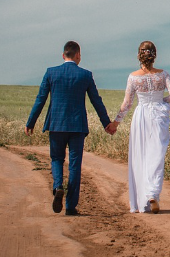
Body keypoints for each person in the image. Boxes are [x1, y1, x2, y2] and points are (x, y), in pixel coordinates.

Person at [25, 41, 117, 216]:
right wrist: (106, 123)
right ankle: (70, 206)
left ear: (62, 55)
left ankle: (58, 185)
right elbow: (96, 101)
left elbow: (40, 99)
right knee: (75, 165)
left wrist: (31, 122)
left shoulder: (51, 73)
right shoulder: (85, 75)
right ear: (77, 55)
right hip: (77, 126)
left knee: (57, 158)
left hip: (56, 125)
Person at [111, 41, 170, 213]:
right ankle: (153, 194)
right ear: (154, 55)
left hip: (141, 116)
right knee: (156, 155)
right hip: (158, 115)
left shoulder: (133, 77)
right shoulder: (163, 75)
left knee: (140, 156)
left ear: (139, 55)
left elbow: (127, 104)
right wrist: (162, 101)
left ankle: (143, 200)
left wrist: (116, 122)